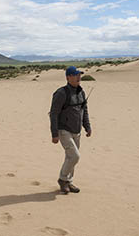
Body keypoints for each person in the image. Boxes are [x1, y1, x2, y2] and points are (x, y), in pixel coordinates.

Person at [49, 66, 92, 194]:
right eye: (75, 75)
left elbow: (84, 111)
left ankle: (69, 181)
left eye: (79, 74)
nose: (79, 77)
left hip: (77, 130)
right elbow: (53, 114)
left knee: (70, 157)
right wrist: (54, 134)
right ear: (68, 77)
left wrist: (87, 126)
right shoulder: (61, 93)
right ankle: (62, 179)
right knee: (75, 156)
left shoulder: (81, 92)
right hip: (64, 130)